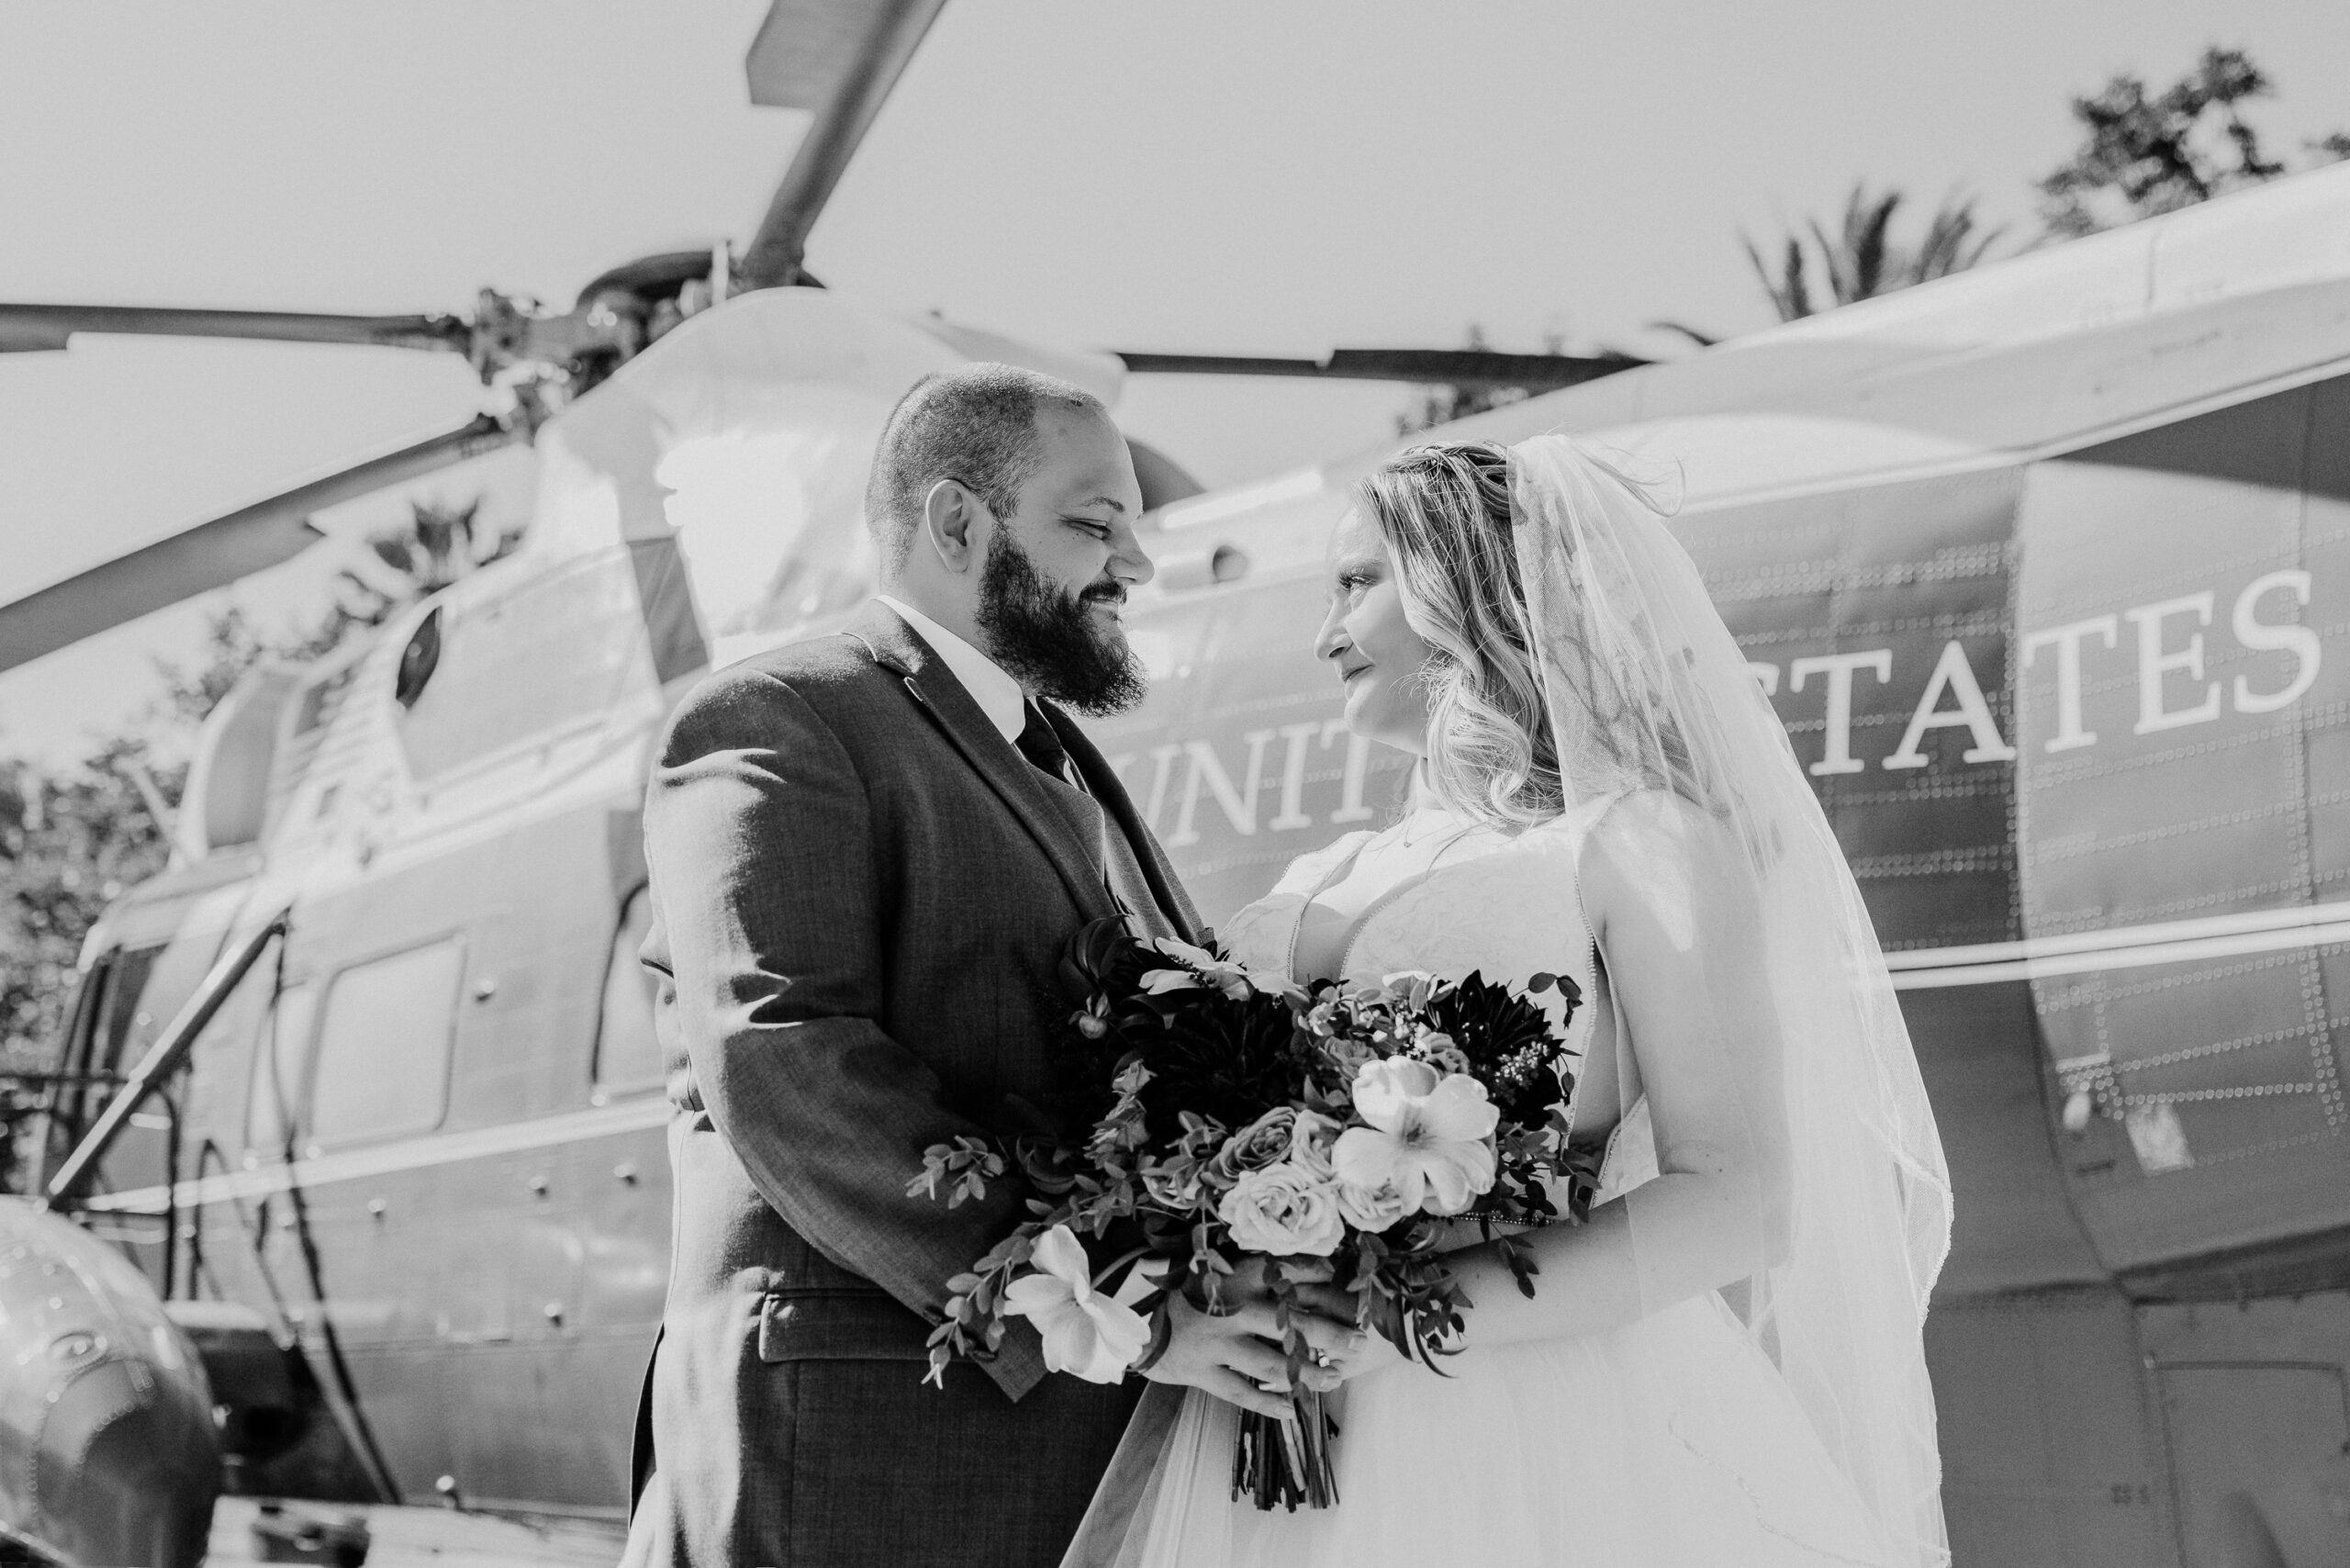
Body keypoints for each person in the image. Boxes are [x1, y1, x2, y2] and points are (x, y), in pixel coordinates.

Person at [1075, 433, 1953, 1567]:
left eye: (1355, 582)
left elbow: (1738, 1197)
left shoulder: (1644, 846)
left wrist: (1402, 1313)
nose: (1323, 633)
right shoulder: (1321, 872)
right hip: (1257, 1422)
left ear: (1459, 587)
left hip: (1539, 1412)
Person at [621, 363, 1344, 1568]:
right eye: (1095, 522)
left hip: (1056, 1459)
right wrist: (1122, 1300)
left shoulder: (1060, 759)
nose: (1135, 564)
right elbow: (782, 1052)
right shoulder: (778, 717)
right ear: (958, 522)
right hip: (859, 1446)